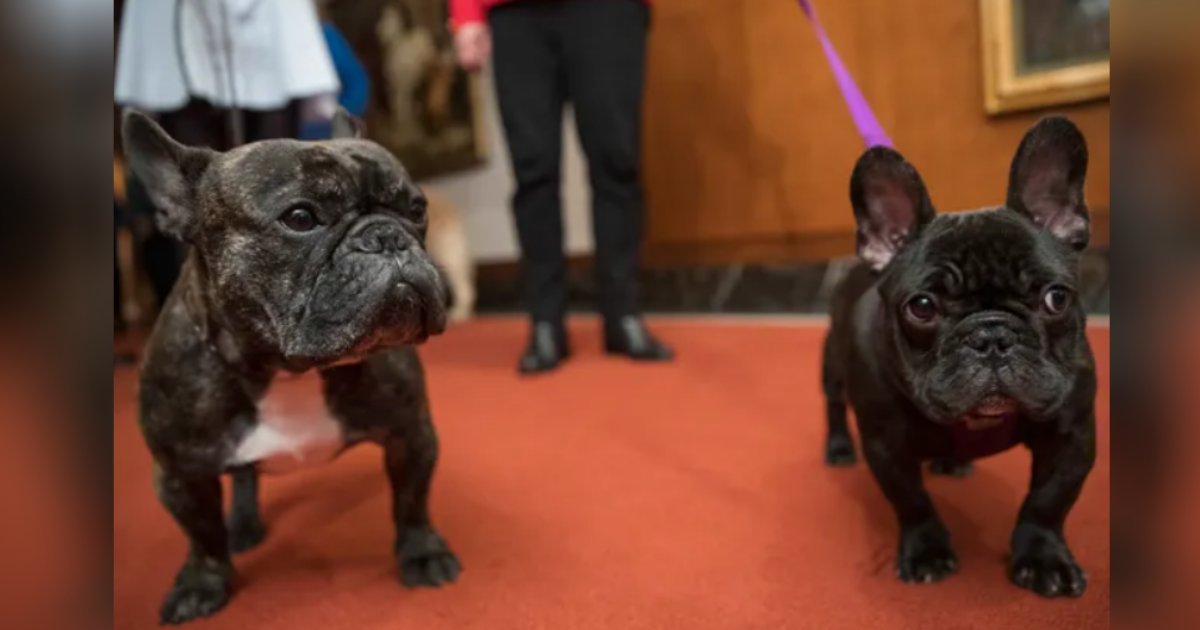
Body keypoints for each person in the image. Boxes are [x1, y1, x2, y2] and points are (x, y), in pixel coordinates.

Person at [451, 0, 674, 374]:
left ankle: (624, 315)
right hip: (514, 15)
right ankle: (545, 323)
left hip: (607, 13)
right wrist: (466, 13)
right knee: (532, 169)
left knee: (617, 161)